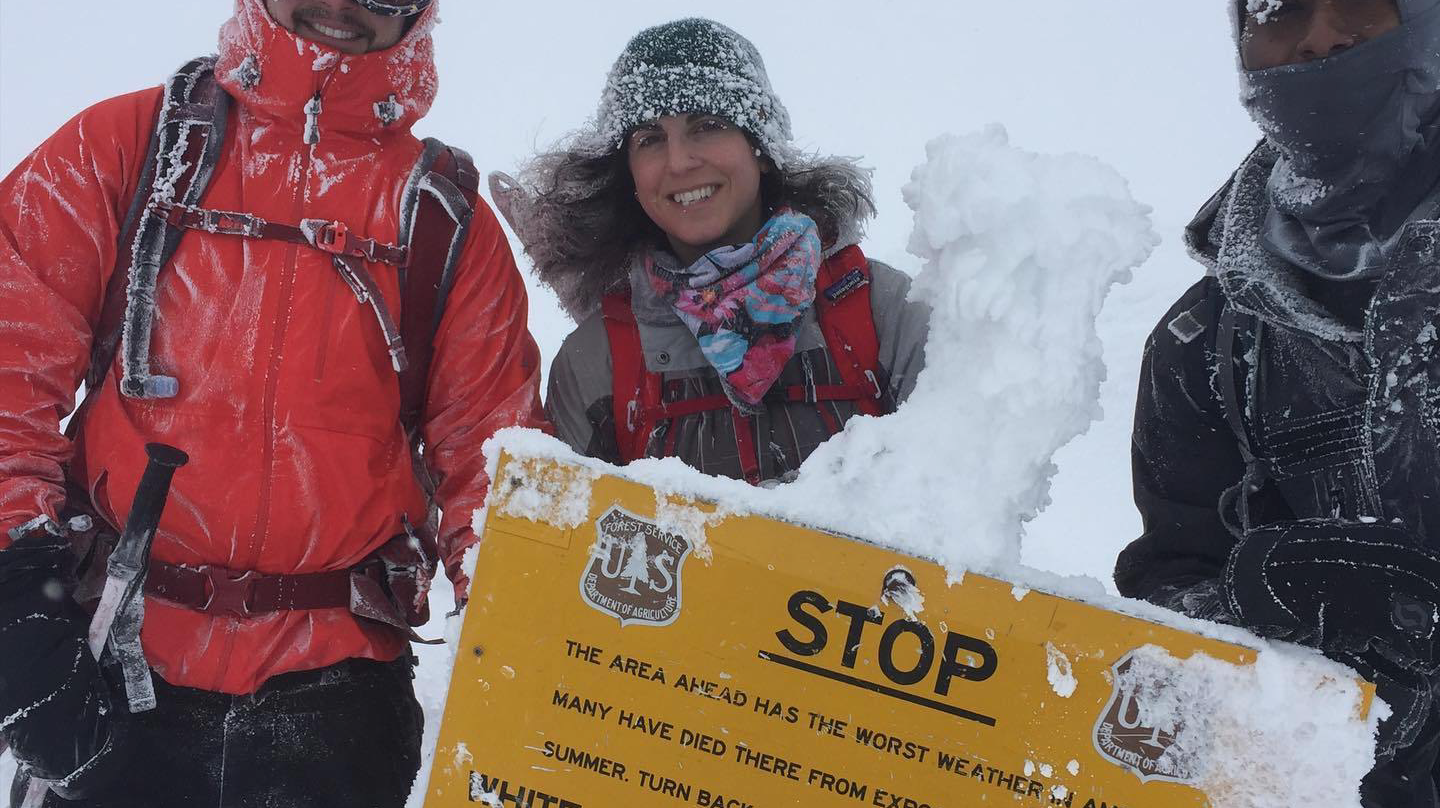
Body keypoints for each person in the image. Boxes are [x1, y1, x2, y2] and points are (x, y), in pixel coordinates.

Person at [0, 0, 546, 805]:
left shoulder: (446, 218)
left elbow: (494, 472)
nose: (343, 6)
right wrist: (21, 605)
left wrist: (533, 668)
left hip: (342, 709)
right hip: (114, 669)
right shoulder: (121, 148)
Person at [1115, 1, 1440, 805]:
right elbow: (1166, 608)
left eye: (1360, 5)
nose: (1320, 38)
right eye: (1279, 12)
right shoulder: (1207, 339)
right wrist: (1250, 606)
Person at [493, 18, 929, 484]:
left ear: (761, 147)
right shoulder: (597, 362)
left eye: (708, 126)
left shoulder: (878, 312)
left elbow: (967, 506)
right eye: (650, 139)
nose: (679, 161)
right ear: (629, 173)